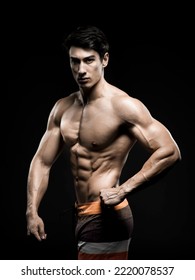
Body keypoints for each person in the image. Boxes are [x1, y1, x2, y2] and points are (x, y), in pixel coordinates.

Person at [26, 25, 181, 260]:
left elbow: (170, 151)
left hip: (107, 216)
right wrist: (32, 210)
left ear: (105, 60)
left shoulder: (123, 106)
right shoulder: (63, 108)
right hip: (81, 214)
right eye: (74, 62)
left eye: (89, 60)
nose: (81, 70)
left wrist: (124, 189)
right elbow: (42, 162)